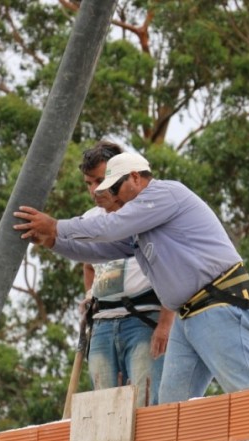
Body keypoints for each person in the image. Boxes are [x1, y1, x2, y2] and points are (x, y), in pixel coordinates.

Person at [13, 150, 249, 403]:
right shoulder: (141, 225)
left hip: (219, 303)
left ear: (135, 178)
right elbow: (101, 251)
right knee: (171, 406)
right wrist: (52, 241)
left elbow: (111, 227)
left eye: (115, 189)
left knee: (244, 389)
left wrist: (56, 225)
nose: (111, 197)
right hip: (188, 315)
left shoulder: (163, 193)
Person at [76, 141, 173, 406]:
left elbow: (170, 269)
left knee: (145, 403)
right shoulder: (89, 218)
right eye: (89, 183)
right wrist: (89, 294)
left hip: (142, 319)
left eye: (100, 180)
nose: (95, 190)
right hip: (103, 323)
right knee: (105, 408)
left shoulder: (145, 212)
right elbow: (88, 263)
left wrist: (166, 322)